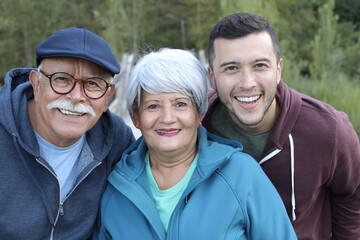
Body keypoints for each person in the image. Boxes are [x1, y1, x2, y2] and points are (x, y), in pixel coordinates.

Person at [93, 48, 297, 240]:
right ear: (136, 117)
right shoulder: (116, 188)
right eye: (153, 106)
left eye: (180, 104)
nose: (167, 118)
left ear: (199, 112)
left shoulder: (241, 175)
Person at [204, 12, 360, 239]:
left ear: (278, 69)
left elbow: (352, 194)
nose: (247, 83)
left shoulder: (328, 129)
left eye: (260, 65)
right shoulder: (195, 127)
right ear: (212, 77)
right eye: (231, 68)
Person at [0, 27, 135, 239]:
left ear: (108, 96)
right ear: (36, 83)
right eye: (62, 79)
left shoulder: (117, 140)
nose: (76, 96)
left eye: (92, 83)